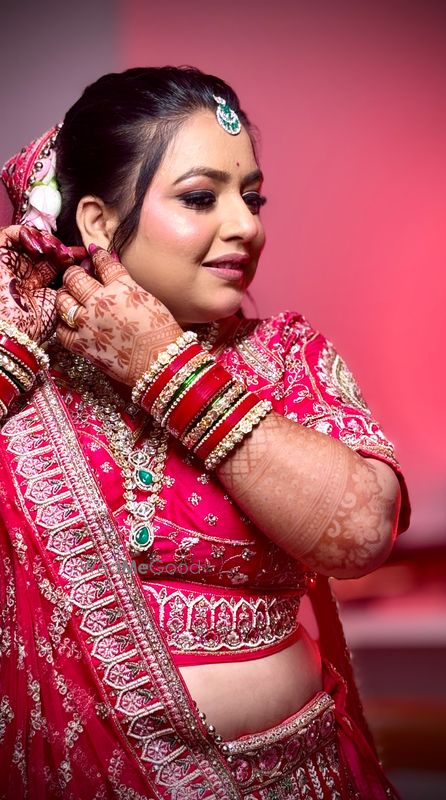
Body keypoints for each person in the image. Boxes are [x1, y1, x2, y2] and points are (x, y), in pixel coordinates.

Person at [0, 66, 410, 799]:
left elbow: (361, 534)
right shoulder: (26, 371)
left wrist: (166, 369)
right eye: (200, 197)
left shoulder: (285, 359)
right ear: (96, 222)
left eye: (252, 197)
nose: (247, 225)